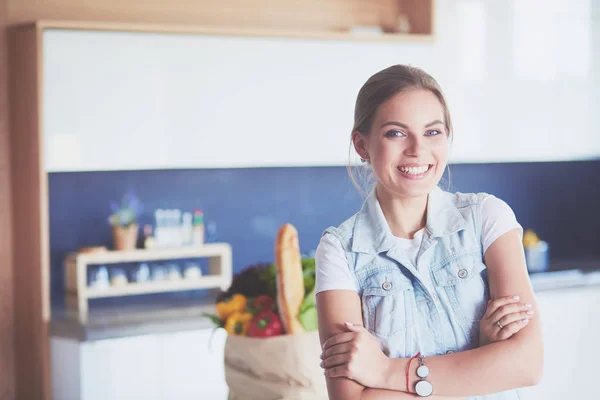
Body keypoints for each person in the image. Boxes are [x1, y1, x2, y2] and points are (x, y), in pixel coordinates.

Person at [315, 65, 543, 400]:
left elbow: (528, 364)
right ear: (362, 145)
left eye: (433, 132)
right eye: (396, 133)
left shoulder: (487, 217)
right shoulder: (339, 251)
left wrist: (384, 372)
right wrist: (483, 358)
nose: (417, 150)